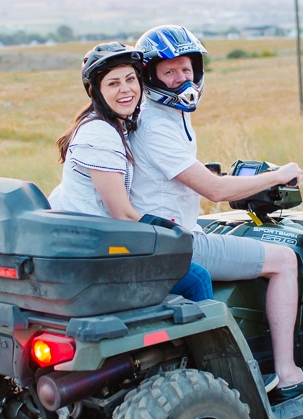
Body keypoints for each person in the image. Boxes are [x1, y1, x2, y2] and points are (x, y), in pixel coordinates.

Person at [129, 24, 303, 400]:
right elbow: (218, 192)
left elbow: (174, 176)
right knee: (285, 259)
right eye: (169, 72)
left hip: (164, 231)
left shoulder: (160, 116)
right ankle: (287, 374)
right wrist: (279, 174)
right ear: (150, 76)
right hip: (177, 243)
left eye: (186, 70)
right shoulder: (157, 125)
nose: (180, 79)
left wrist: (201, 172)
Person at [49, 41, 213, 303]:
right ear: (97, 92)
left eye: (130, 79)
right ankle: (213, 345)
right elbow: (122, 213)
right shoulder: (100, 134)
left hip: (90, 242)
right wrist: (170, 235)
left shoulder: (107, 125)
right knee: (197, 279)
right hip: (98, 251)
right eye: (113, 83)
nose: (125, 90)